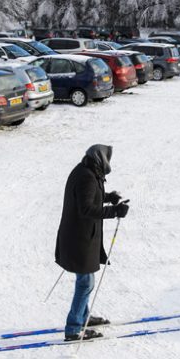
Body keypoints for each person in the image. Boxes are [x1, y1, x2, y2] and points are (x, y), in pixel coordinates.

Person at [55, 144, 129, 341]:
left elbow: (88, 197)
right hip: (79, 239)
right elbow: (86, 209)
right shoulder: (86, 176)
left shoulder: (85, 172)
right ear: (100, 159)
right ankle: (73, 328)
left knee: (84, 281)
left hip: (79, 237)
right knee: (85, 283)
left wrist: (108, 197)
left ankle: (83, 316)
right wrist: (115, 212)